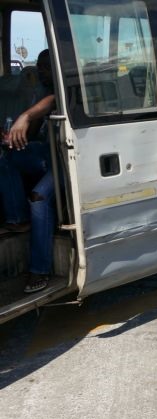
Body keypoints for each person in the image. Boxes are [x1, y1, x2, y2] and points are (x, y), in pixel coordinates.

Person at [0, 49, 57, 293]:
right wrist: (12, 137)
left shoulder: (65, 89)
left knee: (39, 198)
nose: (40, 72)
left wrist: (26, 115)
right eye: (39, 66)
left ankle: (40, 270)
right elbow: (32, 135)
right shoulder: (38, 91)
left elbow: (53, 101)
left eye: (46, 67)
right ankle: (17, 219)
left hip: (65, 160)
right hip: (46, 154)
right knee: (6, 158)